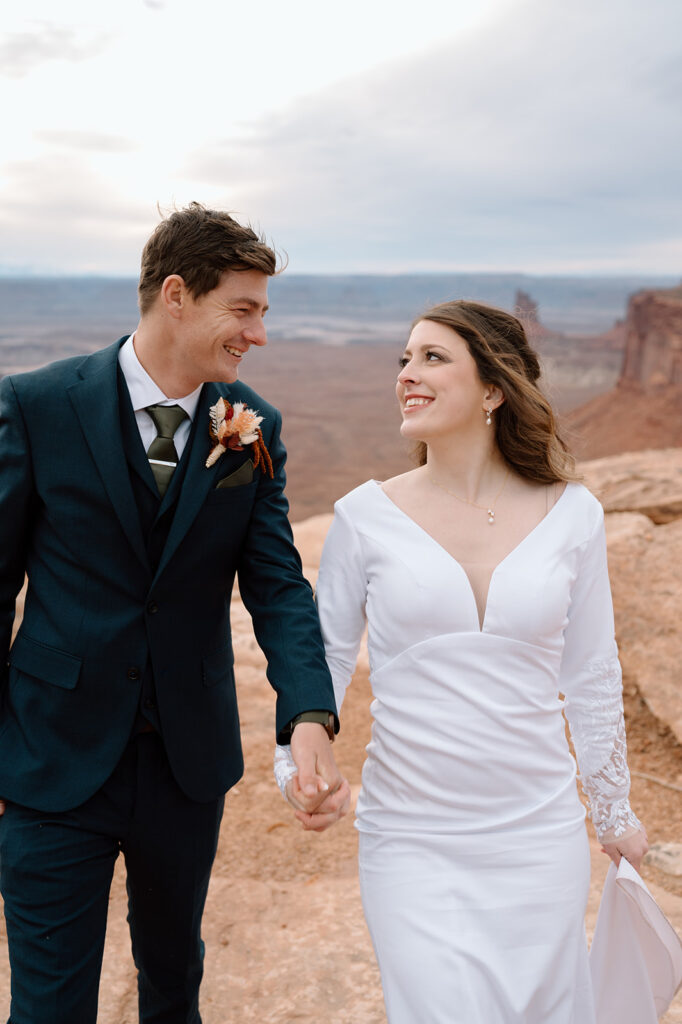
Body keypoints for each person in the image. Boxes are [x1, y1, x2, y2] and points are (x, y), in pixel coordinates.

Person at [0, 202, 349, 1024]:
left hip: (185, 769)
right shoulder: (38, 405)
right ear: (178, 294)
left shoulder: (251, 429)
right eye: (246, 309)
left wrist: (307, 715)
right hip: (51, 759)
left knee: (172, 985)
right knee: (48, 1007)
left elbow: (277, 585)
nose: (258, 334)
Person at [277, 300, 648, 1022]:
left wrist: (613, 813)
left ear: (493, 389)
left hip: (539, 836)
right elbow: (319, 654)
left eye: (432, 358)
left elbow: (593, 673)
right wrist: (297, 767)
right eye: (404, 360)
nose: (407, 376)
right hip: (413, 837)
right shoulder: (364, 517)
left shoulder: (574, 514)